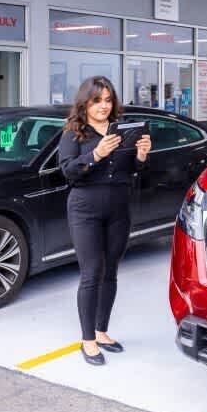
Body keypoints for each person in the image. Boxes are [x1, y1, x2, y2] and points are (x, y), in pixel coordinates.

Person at [58, 76, 151, 366]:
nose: (103, 106)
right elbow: (68, 172)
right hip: (85, 209)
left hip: (119, 209)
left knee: (110, 271)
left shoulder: (122, 131)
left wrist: (141, 156)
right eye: (97, 100)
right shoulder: (73, 133)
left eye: (108, 100)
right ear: (84, 103)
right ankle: (87, 340)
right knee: (92, 272)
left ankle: (101, 331)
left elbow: (131, 170)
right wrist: (97, 154)